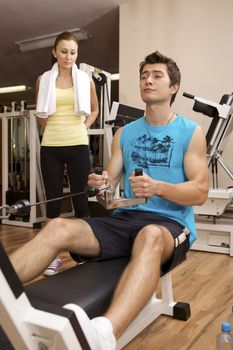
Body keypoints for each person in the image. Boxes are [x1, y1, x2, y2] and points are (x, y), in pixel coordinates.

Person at [10, 50, 209, 349]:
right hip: (125, 221)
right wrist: (101, 184)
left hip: (170, 225)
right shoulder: (124, 134)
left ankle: (104, 333)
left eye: (157, 76)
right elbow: (108, 191)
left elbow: (200, 193)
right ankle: (3, 292)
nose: (148, 81)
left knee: (150, 235)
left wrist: (157, 187)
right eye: (144, 76)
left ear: (173, 87)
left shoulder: (191, 132)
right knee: (58, 228)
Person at [35, 31, 99, 275]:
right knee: (52, 204)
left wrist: (82, 127)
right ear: (54, 52)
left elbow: (94, 110)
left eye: (73, 52)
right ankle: (52, 256)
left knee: (81, 201)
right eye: (63, 51)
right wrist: (51, 130)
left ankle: (86, 252)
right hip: (50, 146)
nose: (68, 56)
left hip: (78, 144)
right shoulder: (43, 79)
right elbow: (41, 114)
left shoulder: (86, 80)